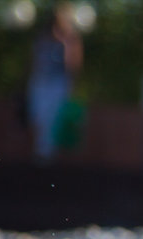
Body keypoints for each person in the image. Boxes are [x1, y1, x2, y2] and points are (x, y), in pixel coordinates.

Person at [27, 4, 82, 160]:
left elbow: (73, 65)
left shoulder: (71, 40)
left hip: (58, 83)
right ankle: (41, 152)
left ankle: (47, 154)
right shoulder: (43, 37)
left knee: (53, 117)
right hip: (40, 81)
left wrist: (72, 86)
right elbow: (35, 61)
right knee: (38, 114)